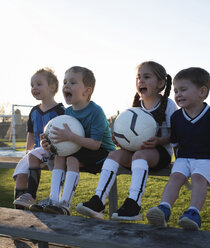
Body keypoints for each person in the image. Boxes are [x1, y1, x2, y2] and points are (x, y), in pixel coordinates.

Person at [76, 61, 177, 221]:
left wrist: (159, 141)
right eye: (138, 78)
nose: (141, 81)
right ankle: (98, 201)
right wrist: (121, 140)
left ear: (161, 84)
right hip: (138, 152)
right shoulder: (136, 106)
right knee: (114, 155)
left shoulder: (168, 105)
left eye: (146, 77)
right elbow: (130, 136)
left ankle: (134, 205)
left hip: (160, 154)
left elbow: (176, 135)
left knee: (139, 156)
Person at [146, 67, 210, 230]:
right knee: (175, 177)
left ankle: (193, 214)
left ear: (202, 92)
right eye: (176, 91)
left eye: (183, 90)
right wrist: (176, 161)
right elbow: (176, 144)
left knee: (198, 178)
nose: (178, 95)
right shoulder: (176, 117)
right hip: (184, 158)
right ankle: (164, 208)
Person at [28, 66, 116, 215]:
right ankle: (53, 200)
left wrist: (71, 137)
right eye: (65, 82)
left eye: (73, 82)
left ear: (87, 91)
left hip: (103, 153)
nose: (66, 86)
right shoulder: (67, 112)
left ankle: (65, 205)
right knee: (59, 156)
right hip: (80, 148)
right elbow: (64, 143)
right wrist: (49, 144)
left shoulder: (96, 111)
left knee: (72, 160)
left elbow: (95, 145)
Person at [12, 68, 65, 209]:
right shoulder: (34, 111)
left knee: (35, 156)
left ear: (52, 87)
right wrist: (27, 151)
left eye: (38, 84)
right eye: (32, 85)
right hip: (36, 152)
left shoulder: (61, 111)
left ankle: (31, 195)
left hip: (53, 151)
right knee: (20, 174)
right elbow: (30, 133)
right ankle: (19, 209)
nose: (34, 88)